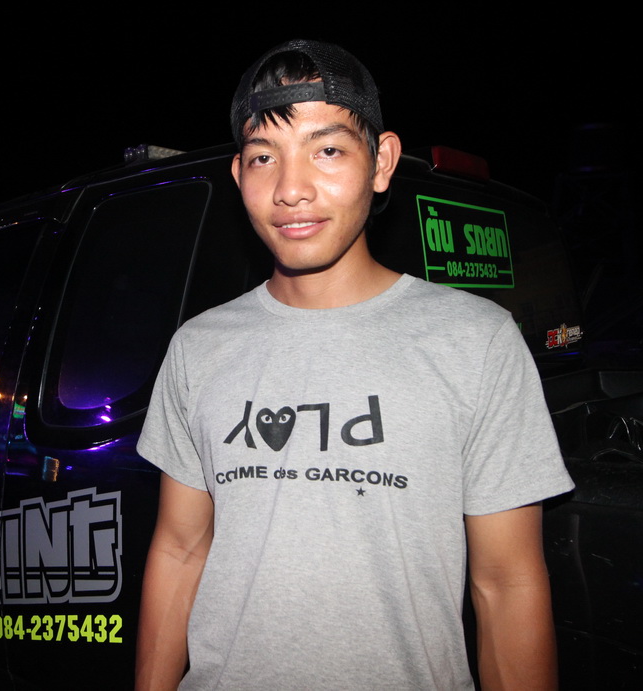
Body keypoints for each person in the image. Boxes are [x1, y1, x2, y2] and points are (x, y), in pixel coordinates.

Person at [134, 39, 573, 690]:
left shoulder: (475, 341)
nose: (290, 189)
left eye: (328, 150)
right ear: (238, 175)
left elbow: (506, 583)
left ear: (381, 161)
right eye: (263, 157)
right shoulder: (198, 347)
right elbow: (179, 549)